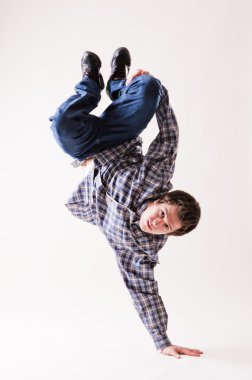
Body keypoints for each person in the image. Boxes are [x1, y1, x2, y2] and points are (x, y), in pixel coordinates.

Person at [50, 47, 203, 359]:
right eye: (163, 214)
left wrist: (162, 341)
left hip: (89, 147)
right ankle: (118, 83)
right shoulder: (157, 177)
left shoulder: (141, 248)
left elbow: (144, 292)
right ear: (162, 199)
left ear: (167, 235)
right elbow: (170, 135)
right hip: (120, 135)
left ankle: (89, 83)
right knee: (151, 86)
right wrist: (157, 91)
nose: (157, 223)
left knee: (61, 123)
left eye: (165, 227)